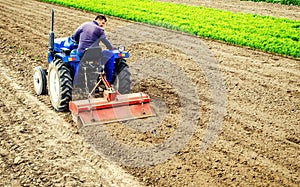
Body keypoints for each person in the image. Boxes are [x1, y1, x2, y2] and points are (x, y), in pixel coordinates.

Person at [71, 14, 114, 83]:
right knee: (110, 55)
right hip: (95, 55)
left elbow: (74, 36)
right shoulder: (100, 30)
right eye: (102, 23)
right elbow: (105, 41)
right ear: (99, 19)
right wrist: (111, 48)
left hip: (82, 53)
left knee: (73, 54)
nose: (103, 25)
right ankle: (109, 80)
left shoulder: (84, 25)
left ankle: (75, 80)